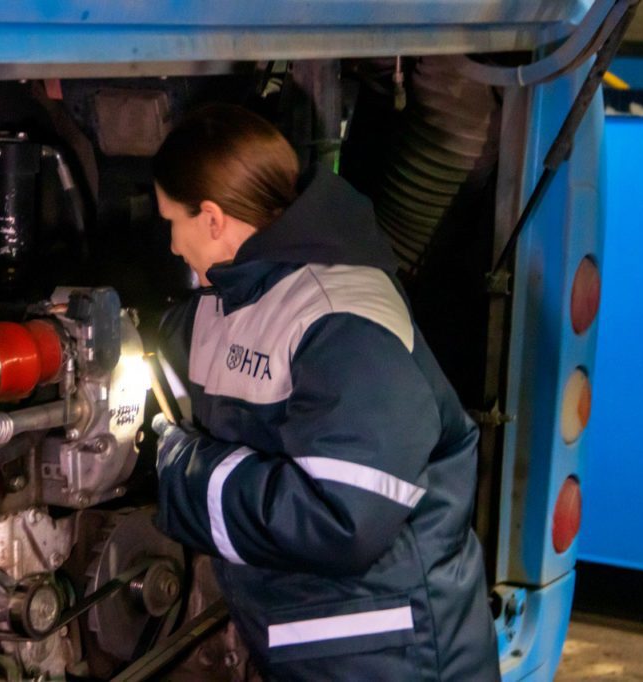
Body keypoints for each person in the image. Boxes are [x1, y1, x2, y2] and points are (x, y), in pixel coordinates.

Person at [151, 103, 500, 681]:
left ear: (211, 218)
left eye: (173, 223)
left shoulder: (345, 322)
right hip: (318, 651)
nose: (171, 245)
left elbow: (342, 519)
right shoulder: (228, 299)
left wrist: (181, 471)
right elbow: (175, 360)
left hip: (393, 661)